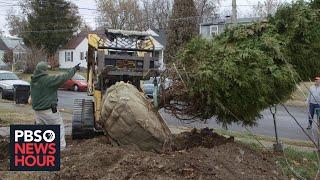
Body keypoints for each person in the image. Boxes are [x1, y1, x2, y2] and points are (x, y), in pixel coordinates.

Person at [30, 61, 80, 150]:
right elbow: (64, 77)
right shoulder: (47, 80)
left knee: (40, 131)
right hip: (48, 111)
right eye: (47, 70)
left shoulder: (33, 80)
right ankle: (61, 148)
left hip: (37, 112)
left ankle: (40, 148)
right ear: (44, 71)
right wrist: (74, 69)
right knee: (59, 127)